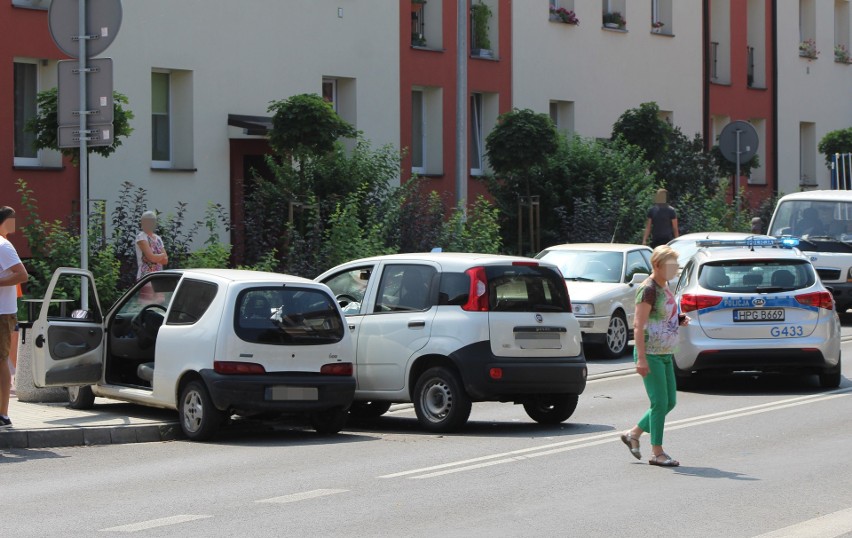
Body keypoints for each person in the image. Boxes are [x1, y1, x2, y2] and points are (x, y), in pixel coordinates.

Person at [620, 245, 688, 467]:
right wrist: (641, 358)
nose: (675, 269)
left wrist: (677, 319)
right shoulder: (647, 289)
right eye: (671, 265)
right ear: (657, 265)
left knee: (669, 402)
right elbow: (639, 325)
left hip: (665, 352)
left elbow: (660, 316)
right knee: (659, 403)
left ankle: (634, 434)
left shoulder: (664, 285)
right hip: (650, 353)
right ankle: (657, 452)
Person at [0, 207, 29, 429]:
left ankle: (3, 414)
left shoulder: (3, 245)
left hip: (2, 313)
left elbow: (21, 274)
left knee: (1, 362)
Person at [135, 210, 168, 280]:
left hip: (159, 277)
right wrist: (161, 255)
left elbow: (165, 260)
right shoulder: (141, 237)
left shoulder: (158, 238)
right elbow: (152, 258)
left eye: (151, 221)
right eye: (145, 221)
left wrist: (155, 257)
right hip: (145, 277)